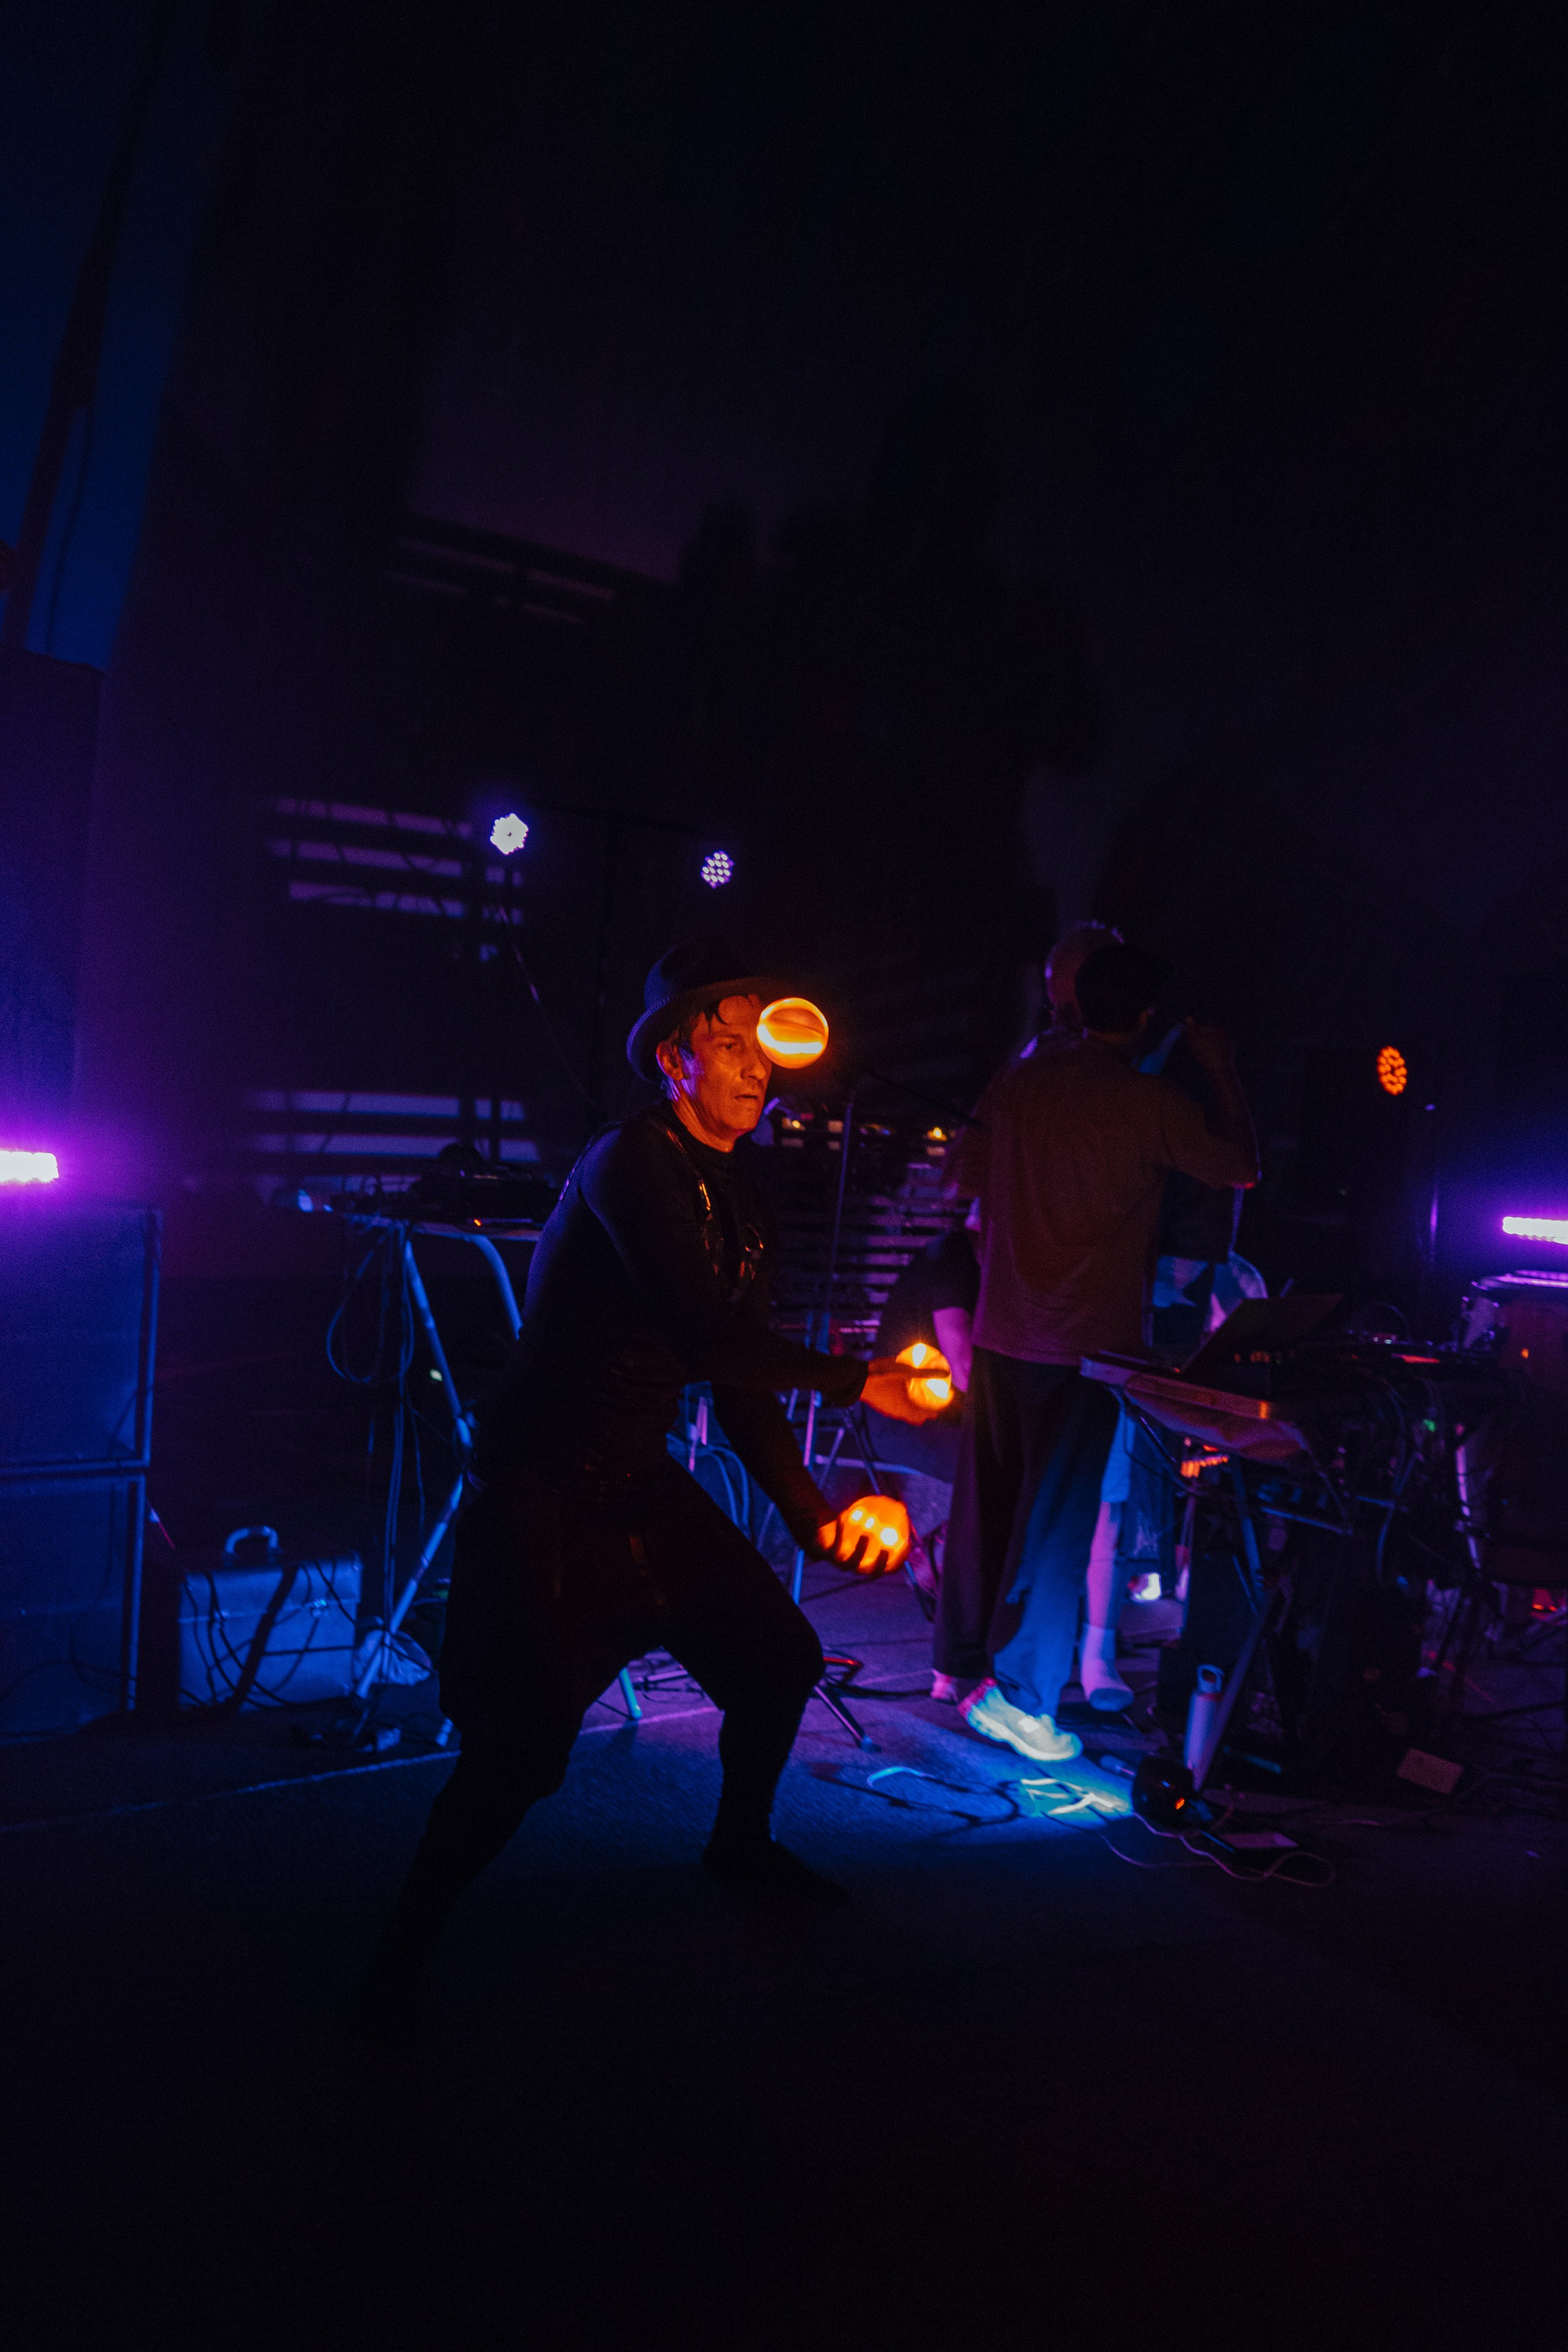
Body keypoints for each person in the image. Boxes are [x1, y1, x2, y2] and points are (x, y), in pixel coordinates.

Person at [352, 938, 935, 2044]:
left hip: (635, 1478)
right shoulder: (628, 1162)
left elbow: (738, 1379)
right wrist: (859, 1378)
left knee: (780, 1660)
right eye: (731, 1042)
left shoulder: (743, 1199)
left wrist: (813, 1518)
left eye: (763, 1046)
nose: (757, 1065)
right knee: (520, 1755)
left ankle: (739, 1847)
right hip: (542, 1481)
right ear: (675, 1059)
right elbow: (703, 1334)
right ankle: (397, 1959)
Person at [934, 940, 1260, 1762]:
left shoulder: (1021, 1081)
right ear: (1146, 1017)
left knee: (986, 1506)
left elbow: (960, 1175)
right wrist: (1219, 1067)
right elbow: (1240, 1167)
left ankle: (957, 1666)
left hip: (1002, 1330)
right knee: (1057, 1528)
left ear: (1076, 1005)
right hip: (1084, 1345)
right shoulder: (1149, 1102)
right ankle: (1023, 1700)